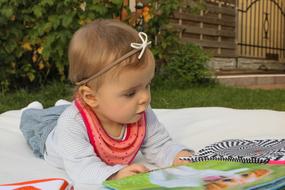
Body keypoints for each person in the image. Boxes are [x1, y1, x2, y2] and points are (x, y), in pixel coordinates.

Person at [20, 19, 194, 187]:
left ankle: (61, 105)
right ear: (91, 97)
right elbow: (82, 168)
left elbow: (160, 145)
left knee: (64, 110)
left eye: (147, 85)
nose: (145, 98)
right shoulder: (71, 124)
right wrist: (115, 175)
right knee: (34, 123)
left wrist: (179, 156)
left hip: (83, 113)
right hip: (50, 133)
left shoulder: (140, 112)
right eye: (131, 93)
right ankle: (31, 110)